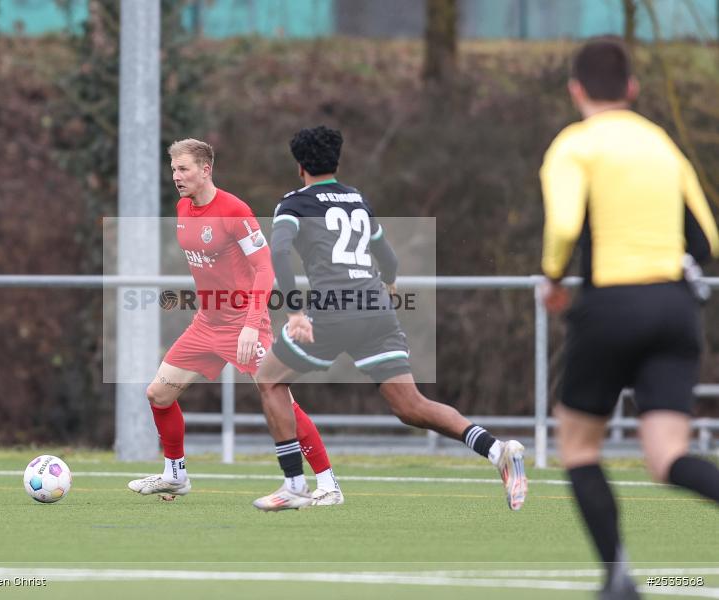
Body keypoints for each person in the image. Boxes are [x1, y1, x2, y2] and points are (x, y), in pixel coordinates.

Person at [252, 126, 528, 511]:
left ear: (300, 167)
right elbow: (389, 259)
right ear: (337, 161)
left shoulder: (294, 204)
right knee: (410, 406)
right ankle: (497, 450)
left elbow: (278, 254)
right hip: (376, 309)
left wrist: (295, 311)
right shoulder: (357, 200)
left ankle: (295, 484)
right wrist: (392, 284)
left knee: (268, 379)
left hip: (331, 311)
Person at [538, 38, 719, 600]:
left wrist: (553, 276)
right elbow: (707, 238)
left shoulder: (574, 144)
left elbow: (566, 222)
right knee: (668, 457)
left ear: (576, 90)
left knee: (579, 446)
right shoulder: (661, 143)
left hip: (612, 304)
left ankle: (619, 581)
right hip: (674, 308)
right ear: (633, 89)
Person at [127, 138, 344, 505]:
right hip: (205, 325)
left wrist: (250, 323)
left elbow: (265, 267)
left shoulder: (234, 210)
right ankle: (175, 476)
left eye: (184, 169)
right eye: (173, 169)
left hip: (245, 324)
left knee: (279, 398)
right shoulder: (183, 207)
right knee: (158, 394)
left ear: (205, 169)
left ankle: (328, 484)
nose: (176, 177)